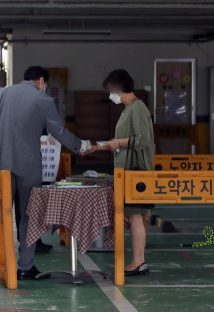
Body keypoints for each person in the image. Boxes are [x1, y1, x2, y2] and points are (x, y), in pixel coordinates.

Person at [0, 66, 92, 280]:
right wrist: (81, 145)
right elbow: (57, 131)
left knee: (1, 216)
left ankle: (0, 266)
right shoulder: (44, 101)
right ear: (42, 81)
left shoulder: (3, 93)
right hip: (29, 166)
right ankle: (25, 266)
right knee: (28, 217)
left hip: (0, 165)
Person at [80, 69, 154, 276]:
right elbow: (120, 143)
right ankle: (138, 261)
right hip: (126, 172)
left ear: (119, 88)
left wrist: (117, 143)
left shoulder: (138, 108)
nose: (110, 95)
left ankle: (139, 262)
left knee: (136, 216)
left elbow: (142, 140)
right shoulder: (127, 109)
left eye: (111, 90)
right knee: (133, 216)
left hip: (136, 172)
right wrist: (98, 147)